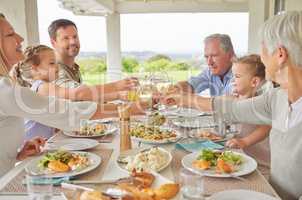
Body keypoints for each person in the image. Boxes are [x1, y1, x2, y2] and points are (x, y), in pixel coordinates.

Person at [163, 11, 302, 200]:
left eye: (263, 51)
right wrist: (182, 98)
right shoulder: (276, 98)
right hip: (270, 191)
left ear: (280, 55)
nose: (261, 59)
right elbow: (231, 109)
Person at [0, 13, 145, 177]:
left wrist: (17, 154)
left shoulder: (9, 88)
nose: (20, 38)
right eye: (10, 34)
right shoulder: (6, 90)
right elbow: (69, 110)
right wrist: (124, 108)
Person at [9, 44, 133, 140]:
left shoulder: (46, 86)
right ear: (35, 70)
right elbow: (78, 94)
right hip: (34, 146)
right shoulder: (42, 87)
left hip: (44, 142)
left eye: (56, 63)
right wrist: (117, 89)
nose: (57, 67)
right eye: (52, 63)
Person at [48, 18, 137, 90]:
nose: (73, 42)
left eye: (75, 37)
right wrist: (117, 86)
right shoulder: (54, 70)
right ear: (53, 42)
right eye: (66, 38)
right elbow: (79, 92)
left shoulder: (73, 67)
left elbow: (82, 101)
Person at [225, 54, 271, 178]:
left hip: (260, 165)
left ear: (254, 81)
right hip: (242, 159)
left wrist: (245, 141)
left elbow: (266, 127)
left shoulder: (258, 103)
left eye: (237, 76)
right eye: (232, 76)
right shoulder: (236, 99)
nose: (232, 80)